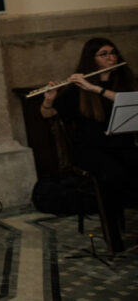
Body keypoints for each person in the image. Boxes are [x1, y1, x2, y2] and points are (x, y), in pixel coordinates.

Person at [39, 37, 137, 249]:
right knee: (111, 175)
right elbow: (48, 114)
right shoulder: (78, 88)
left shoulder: (126, 81)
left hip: (122, 144)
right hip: (90, 148)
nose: (111, 57)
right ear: (91, 59)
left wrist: (95, 89)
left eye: (113, 52)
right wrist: (49, 99)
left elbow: (127, 100)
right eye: (104, 54)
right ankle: (113, 236)